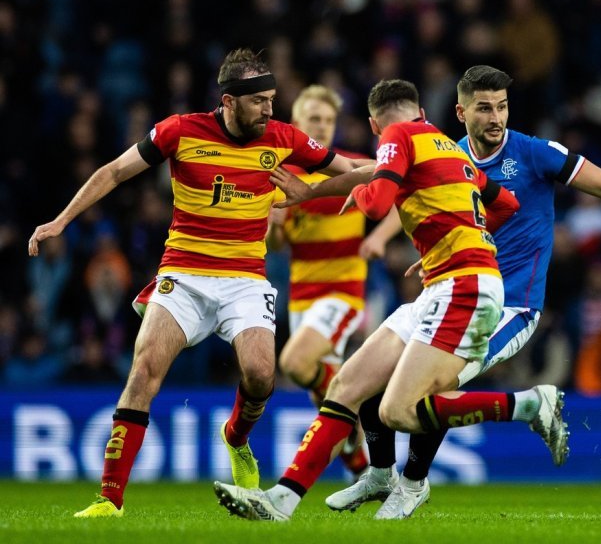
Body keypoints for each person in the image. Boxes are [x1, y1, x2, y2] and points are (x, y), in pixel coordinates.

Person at [320, 65, 601, 519]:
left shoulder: (534, 154)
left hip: (512, 305)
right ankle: (384, 475)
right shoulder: (447, 155)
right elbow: (412, 199)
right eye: (484, 108)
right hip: (452, 288)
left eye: (502, 106)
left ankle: (413, 482)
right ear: (460, 112)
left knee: (431, 388)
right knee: (382, 387)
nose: (496, 117)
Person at [28, 48, 366, 518]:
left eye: (272, 99)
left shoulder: (284, 138)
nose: (270, 109)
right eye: (259, 101)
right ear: (229, 101)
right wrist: (60, 222)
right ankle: (109, 500)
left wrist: (323, 188)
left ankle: (236, 438)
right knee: (144, 371)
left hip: (245, 279)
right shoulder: (180, 131)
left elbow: (353, 172)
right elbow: (114, 172)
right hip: (183, 276)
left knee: (262, 376)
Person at [211, 79, 562, 523]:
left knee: (397, 410)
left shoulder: (399, 136)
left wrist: (356, 196)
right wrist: (455, 237)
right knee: (347, 387)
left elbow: (376, 202)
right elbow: (506, 202)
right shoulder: (446, 147)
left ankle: (529, 404)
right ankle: (280, 500)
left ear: (376, 124)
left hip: (464, 287)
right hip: (443, 283)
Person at [268, 84, 395, 477]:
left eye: (328, 120)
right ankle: (364, 472)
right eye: (314, 120)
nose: (321, 127)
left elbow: (407, 196)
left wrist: (377, 236)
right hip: (301, 296)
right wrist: (273, 227)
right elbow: (276, 247)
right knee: (323, 399)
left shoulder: (355, 167)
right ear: (296, 125)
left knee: (293, 362)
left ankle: (357, 403)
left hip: (342, 293)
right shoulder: (282, 176)